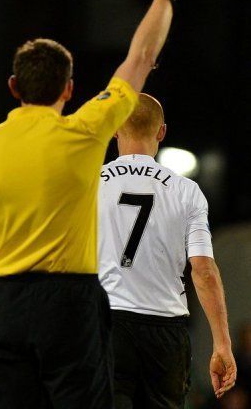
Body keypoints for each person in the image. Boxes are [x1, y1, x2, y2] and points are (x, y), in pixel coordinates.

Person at [0, 0, 189, 409]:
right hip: (71, 305)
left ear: (13, 87)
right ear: (70, 89)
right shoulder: (85, 131)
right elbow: (138, 60)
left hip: (7, 303)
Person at [98, 94, 237, 409]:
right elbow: (202, 271)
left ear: (116, 129)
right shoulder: (186, 191)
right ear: (161, 132)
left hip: (108, 322)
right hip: (165, 329)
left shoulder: (92, 183)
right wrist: (222, 344)